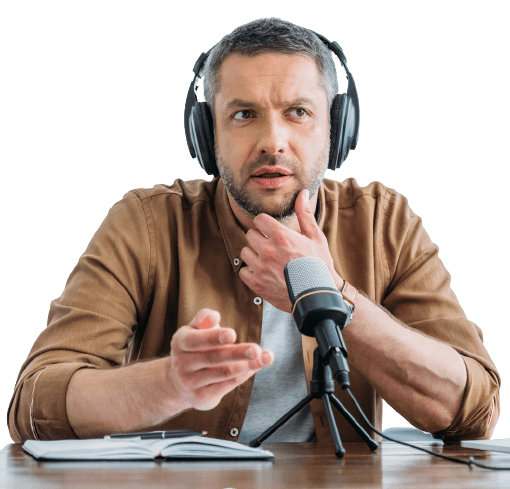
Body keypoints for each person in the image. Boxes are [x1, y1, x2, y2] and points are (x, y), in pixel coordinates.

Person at [8, 18, 499, 444]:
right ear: (207, 133)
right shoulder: (146, 222)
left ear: (337, 128)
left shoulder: (385, 222)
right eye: (244, 115)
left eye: (298, 112)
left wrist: (331, 293)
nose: (272, 141)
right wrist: (170, 384)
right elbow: (34, 405)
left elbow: (473, 410)